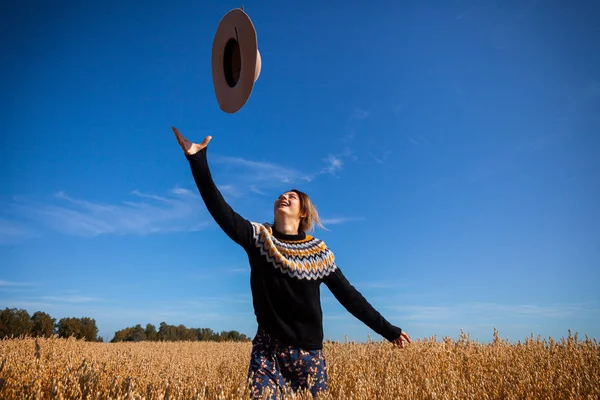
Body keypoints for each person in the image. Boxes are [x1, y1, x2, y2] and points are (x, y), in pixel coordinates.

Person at [172, 127, 411, 399]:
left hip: (309, 355)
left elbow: (350, 297)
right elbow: (220, 210)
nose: (283, 197)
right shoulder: (258, 238)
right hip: (267, 351)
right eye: (280, 196)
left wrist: (388, 330)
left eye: (292, 196)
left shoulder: (319, 253)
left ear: (303, 211)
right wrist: (198, 161)